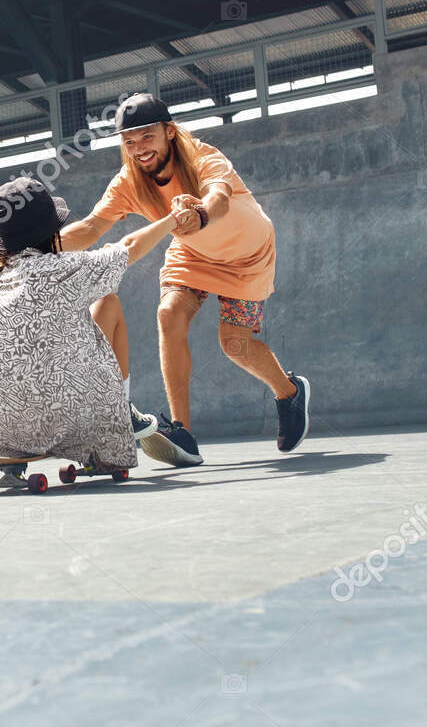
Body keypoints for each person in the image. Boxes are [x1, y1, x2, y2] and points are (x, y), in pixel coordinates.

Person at [62, 93, 309, 464]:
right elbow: (93, 227)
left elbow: (219, 198)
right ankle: (183, 432)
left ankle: (289, 393)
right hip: (192, 253)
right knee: (169, 313)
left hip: (247, 256)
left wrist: (200, 215)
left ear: (169, 132)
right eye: (130, 142)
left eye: (148, 137)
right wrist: (32, 245)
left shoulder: (203, 157)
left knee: (234, 345)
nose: (140, 149)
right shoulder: (128, 182)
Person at [0, 176, 179, 472]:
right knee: (108, 301)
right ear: (52, 230)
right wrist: (174, 218)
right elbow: (129, 246)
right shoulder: (63, 269)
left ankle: (14, 461)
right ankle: (123, 411)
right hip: (74, 421)